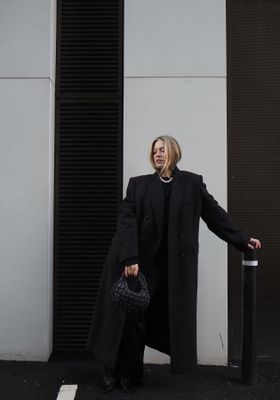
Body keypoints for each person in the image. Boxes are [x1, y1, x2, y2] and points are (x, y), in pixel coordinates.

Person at [87, 136, 261, 394]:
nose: (157, 154)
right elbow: (125, 223)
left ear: (174, 152)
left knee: (144, 319)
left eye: (162, 149)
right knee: (125, 318)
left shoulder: (192, 183)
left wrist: (242, 240)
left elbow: (214, 215)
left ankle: (131, 373)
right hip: (134, 262)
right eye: (154, 150)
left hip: (170, 269)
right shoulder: (138, 185)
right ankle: (114, 370)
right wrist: (129, 258)